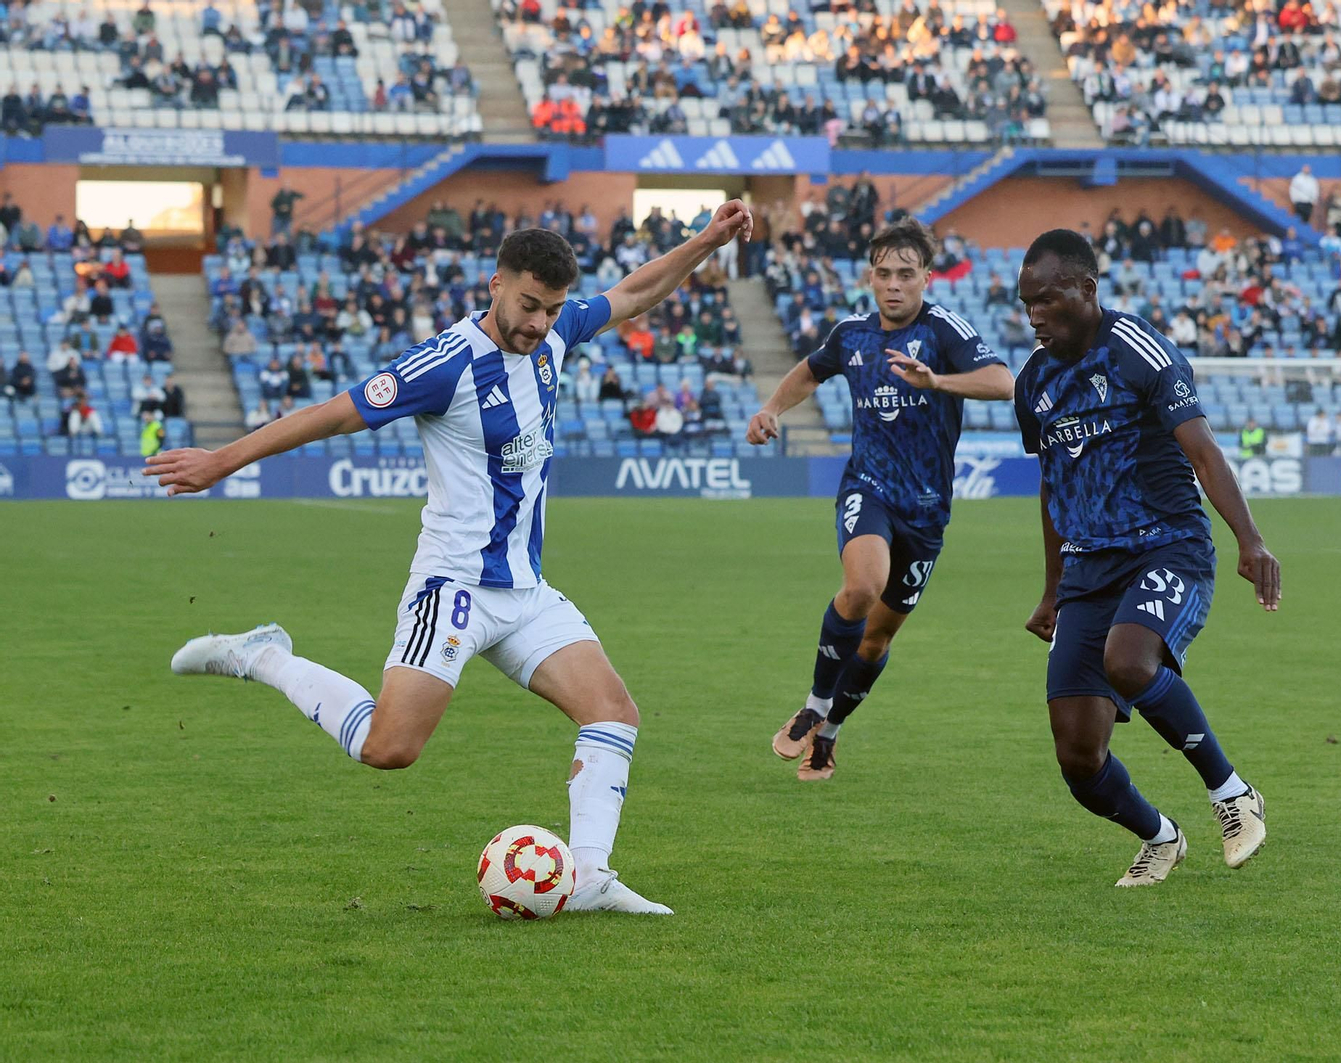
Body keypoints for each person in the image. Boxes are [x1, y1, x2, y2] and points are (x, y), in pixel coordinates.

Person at [149, 201, 755, 917]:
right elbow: (335, 412)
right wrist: (223, 459)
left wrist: (708, 240)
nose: (539, 322)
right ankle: (264, 655)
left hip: (526, 591)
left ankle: (589, 874)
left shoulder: (556, 335)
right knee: (388, 748)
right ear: (495, 283)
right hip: (454, 588)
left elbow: (634, 292)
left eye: (552, 309)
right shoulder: (445, 364)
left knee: (614, 711)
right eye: (529, 304)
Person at [1011, 228, 1276, 887]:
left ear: (1086, 290)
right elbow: (1053, 484)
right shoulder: (1034, 383)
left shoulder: (1139, 350)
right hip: (1087, 569)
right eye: (1026, 304)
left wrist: (1250, 539)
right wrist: (1051, 589)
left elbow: (1204, 452)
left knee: (1129, 660)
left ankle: (1233, 795)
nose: (1036, 315)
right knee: (1077, 756)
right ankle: (1161, 837)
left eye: (1047, 299)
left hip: (1168, 546)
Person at [747, 218, 1014, 781]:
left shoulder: (944, 331)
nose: (894, 284)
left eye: (906, 274)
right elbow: (810, 370)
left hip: (927, 509)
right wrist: (773, 407)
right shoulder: (852, 335)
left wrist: (937, 381)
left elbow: (1002, 381)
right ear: (871, 277)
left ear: (926, 278)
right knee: (862, 587)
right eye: (885, 273)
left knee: (876, 639)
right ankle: (816, 704)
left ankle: (832, 732)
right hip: (868, 487)